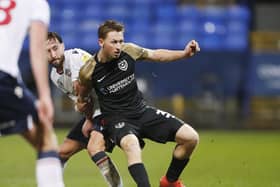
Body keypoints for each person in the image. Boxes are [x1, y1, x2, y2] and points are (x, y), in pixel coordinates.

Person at [78, 20, 200, 187]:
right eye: (114, 42)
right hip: (116, 119)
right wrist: (86, 115)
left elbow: (156, 55)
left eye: (121, 41)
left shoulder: (129, 51)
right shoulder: (89, 71)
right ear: (101, 42)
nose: (119, 46)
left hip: (141, 111)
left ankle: (170, 181)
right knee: (132, 146)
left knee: (191, 138)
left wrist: (184, 54)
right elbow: (82, 96)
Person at [0, 1, 64, 187]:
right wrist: (44, 96)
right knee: (46, 139)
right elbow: (37, 50)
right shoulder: (36, 3)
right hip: (3, 79)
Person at [46, 32, 122, 187]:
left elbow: (80, 89)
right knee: (61, 153)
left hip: (111, 105)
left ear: (63, 46)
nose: (53, 54)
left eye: (55, 48)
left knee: (94, 148)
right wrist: (88, 119)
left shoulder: (74, 57)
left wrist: (84, 110)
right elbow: (82, 102)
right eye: (47, 51)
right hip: (95, 111)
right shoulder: (54, 75)